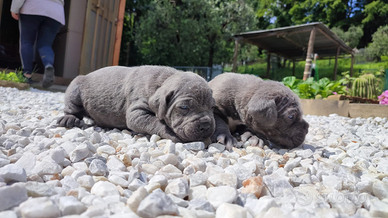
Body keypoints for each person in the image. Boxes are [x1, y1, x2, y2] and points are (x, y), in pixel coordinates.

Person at [10, 0, 65, 88]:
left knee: (27, 41)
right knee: (45, 45)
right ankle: (48, 65)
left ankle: (27, 75)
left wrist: (14, 9)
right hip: (55, 11)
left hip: (32, 7)